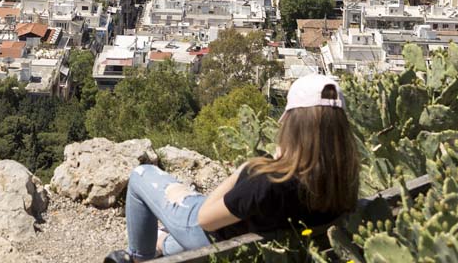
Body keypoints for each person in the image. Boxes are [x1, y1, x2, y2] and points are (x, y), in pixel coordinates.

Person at [104, 74, 360, 262]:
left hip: (213, 237)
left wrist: (246, 168)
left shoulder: (267, 178)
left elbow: (204, 219)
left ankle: (138, 258)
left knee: (142, 176)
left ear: (292, 125)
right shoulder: (345, 178)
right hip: (256, 247)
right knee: (172, 231)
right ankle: (163, 243)